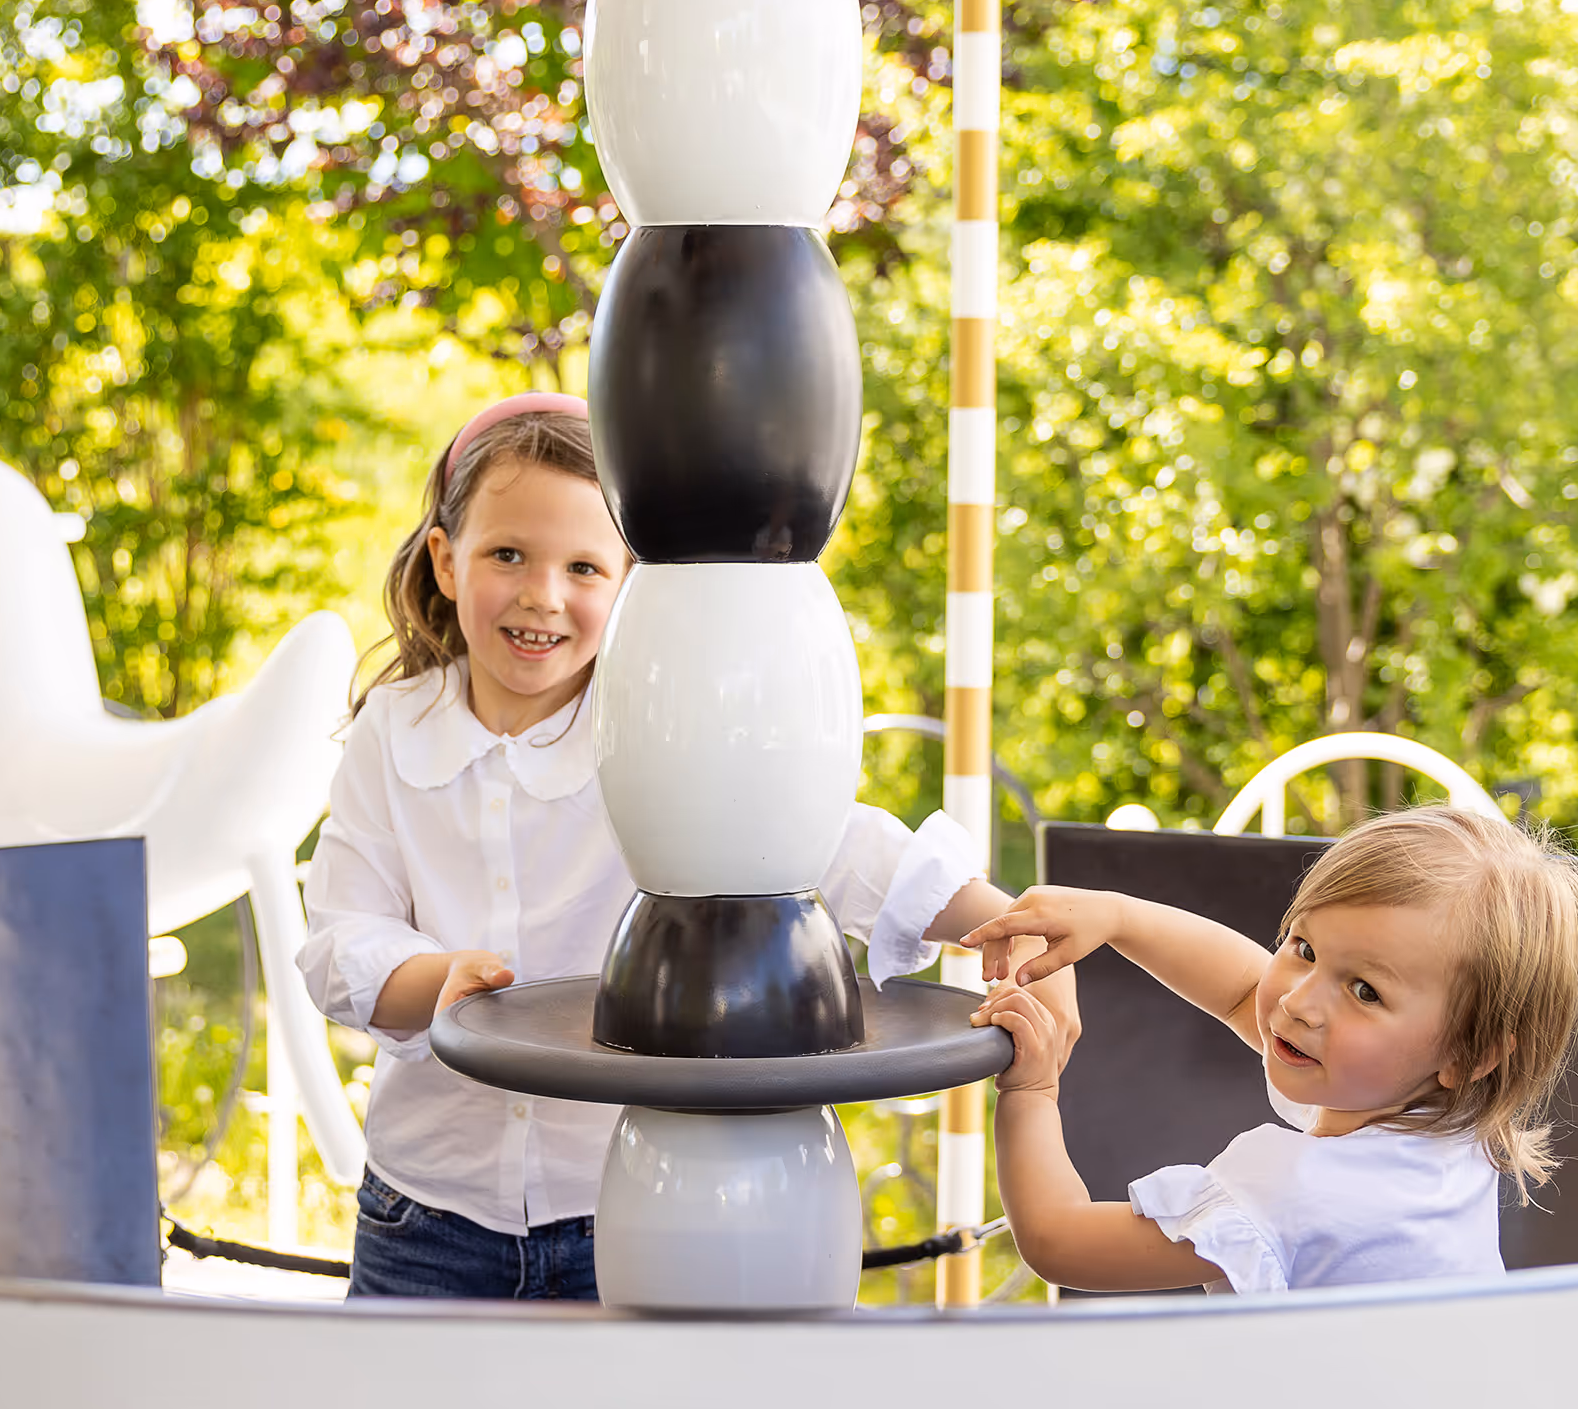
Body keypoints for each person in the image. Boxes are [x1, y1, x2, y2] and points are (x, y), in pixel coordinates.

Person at [299, 392, 1077, 1299]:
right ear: (444, 557)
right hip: (428, 1213)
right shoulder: (389, 737)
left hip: (620, 1205)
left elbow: (820, 842)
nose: (541, 596)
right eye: (507, 554)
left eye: (585, 567)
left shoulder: (662, 735)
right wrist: (434, 981)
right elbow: (341, 937)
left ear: (630, 586)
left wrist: (999, 919)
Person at [961, 804, 1578, 1295]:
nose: (1297, 1003)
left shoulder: (1301, 1189)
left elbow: (1057, 1239)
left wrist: (1031, 1091)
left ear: (1470, 1053)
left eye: (1364, 991)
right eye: (1304, 948)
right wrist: (1118, 918)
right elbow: (1247, 991)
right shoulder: (1444, 1128)